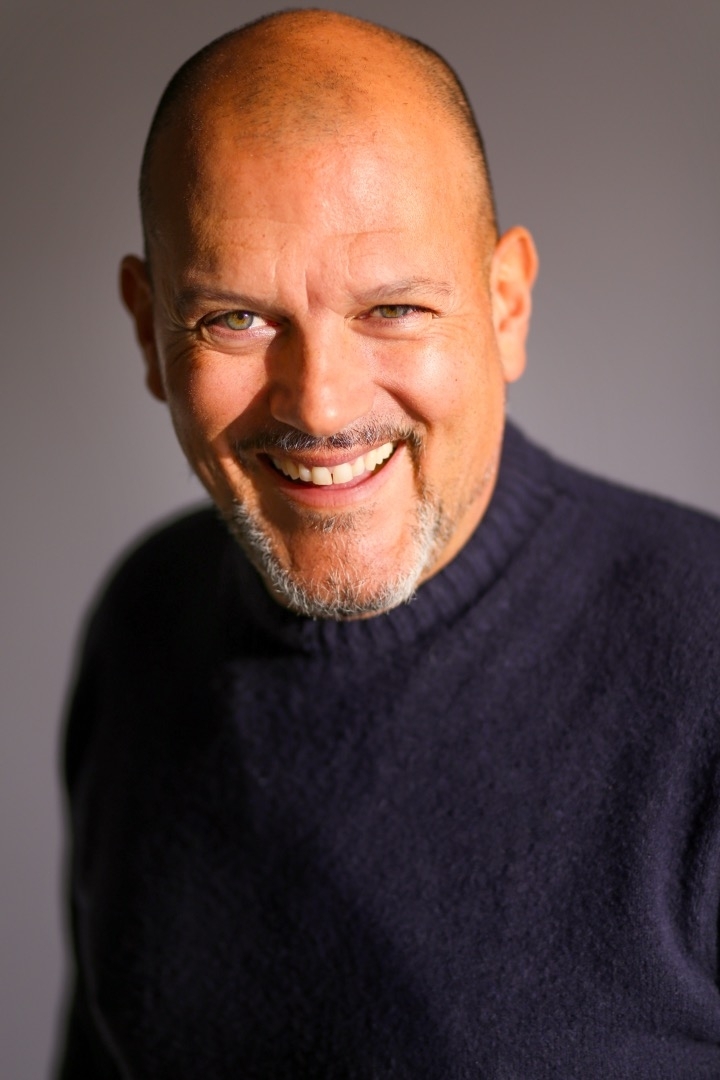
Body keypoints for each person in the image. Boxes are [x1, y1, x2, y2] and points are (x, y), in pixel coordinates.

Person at [58, 10, 720, 1078]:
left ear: (506, 307)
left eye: (394, 308)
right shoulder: (145, 618)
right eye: (235, 319)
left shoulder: (704, 671)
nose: (319, 404)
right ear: (148, 328)